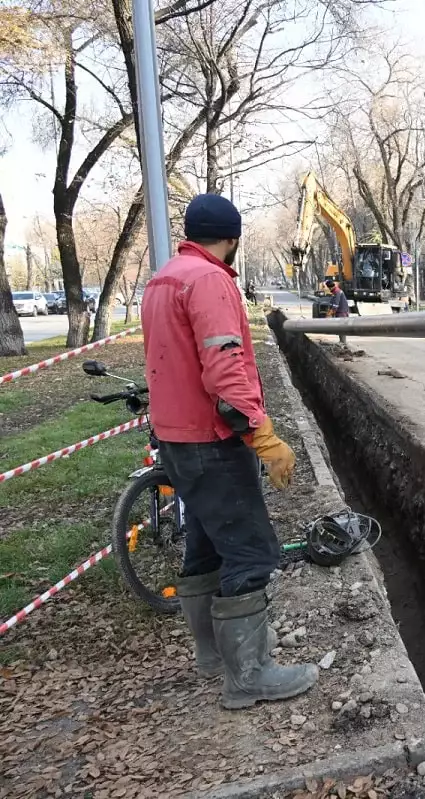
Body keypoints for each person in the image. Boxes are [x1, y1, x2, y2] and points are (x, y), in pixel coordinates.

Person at [142, 193, 318, 709]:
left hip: (176, 438)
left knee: (204, 544)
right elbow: (224, 372)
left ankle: (214, 657)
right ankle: (249, 677)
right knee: (249, 549)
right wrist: (262, 436)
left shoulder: (164, 279)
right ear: (233, 239)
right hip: (211, 441)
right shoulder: (211, 281)